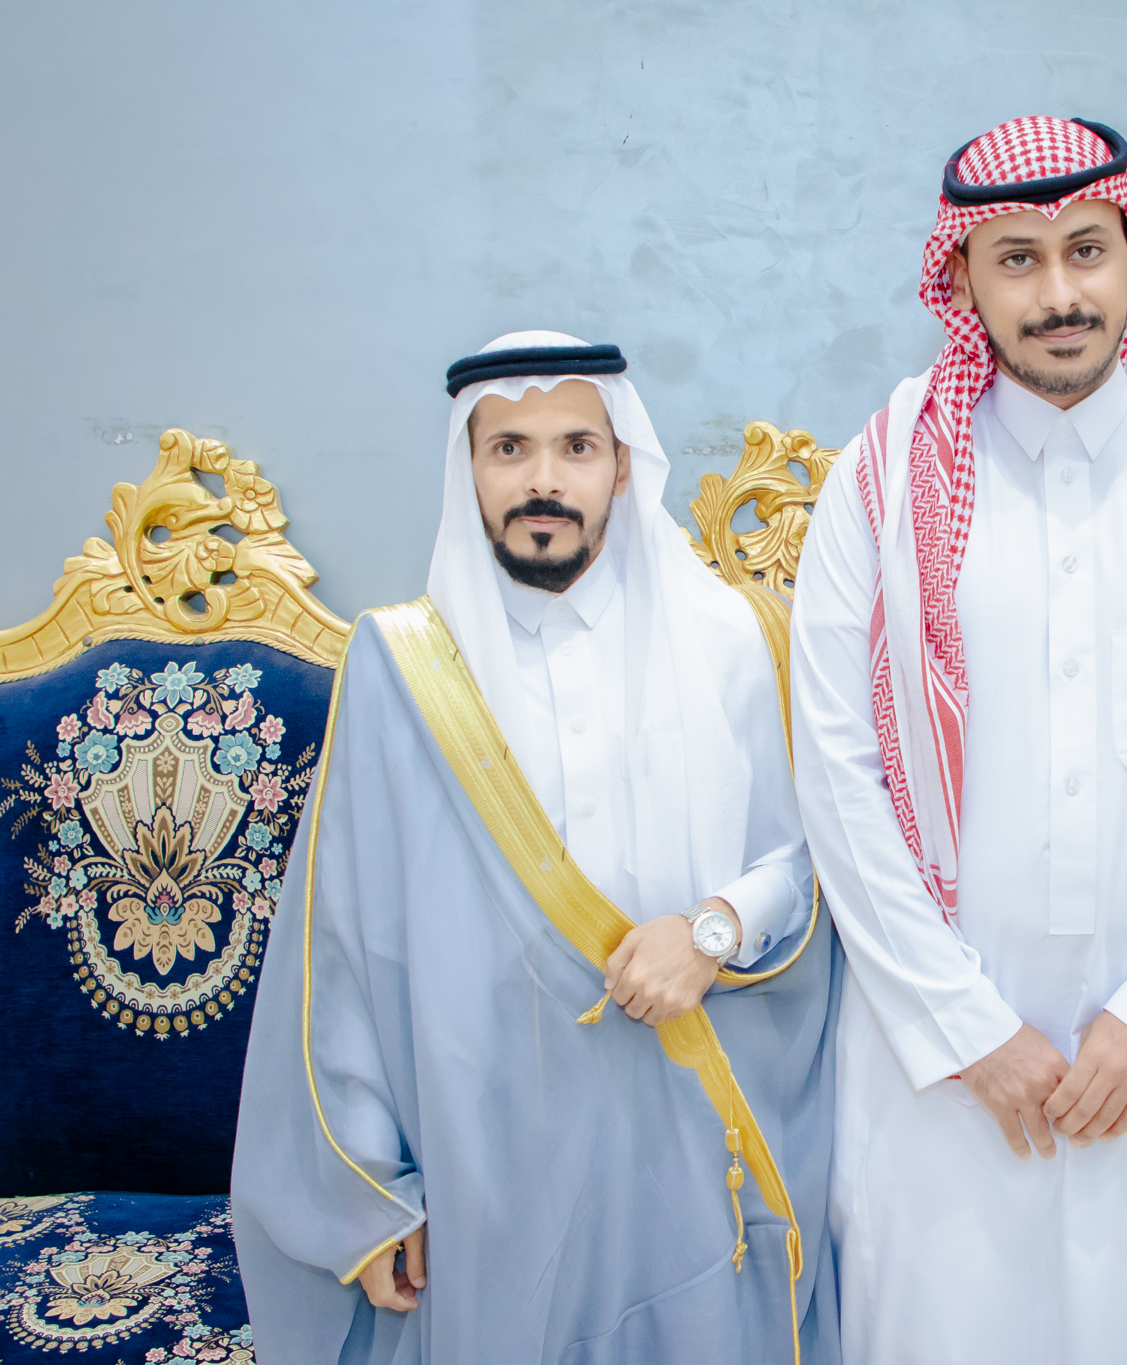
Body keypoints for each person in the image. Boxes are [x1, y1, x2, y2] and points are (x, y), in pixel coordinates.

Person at [790, 118, 1127, 1364]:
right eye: (1016, 260)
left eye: (1086, 251)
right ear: (962, 278)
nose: (1057, 294)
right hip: (940, 1080)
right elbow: (838, 779)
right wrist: (964, 1029)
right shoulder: (878, 489)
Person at [232, 331, 838, 1363]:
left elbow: (801, 864)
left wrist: (710, 932)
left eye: (575, 447)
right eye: (508, 448)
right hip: (482, 1141)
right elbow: (342, 944)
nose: (542, 479)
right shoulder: (401, 667)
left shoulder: (732, 638)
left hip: (687, 1119)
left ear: (622, 467)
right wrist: (371, 1195)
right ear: (467, 469)